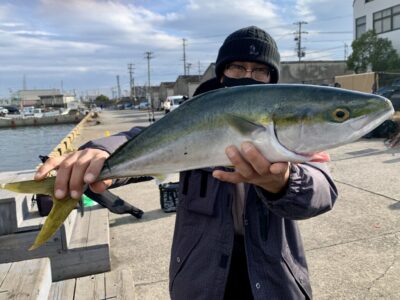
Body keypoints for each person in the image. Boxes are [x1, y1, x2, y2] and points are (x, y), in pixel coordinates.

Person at [35, 26, 337, 299]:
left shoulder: (297, 139)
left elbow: (322, 191)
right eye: (237, 66)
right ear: (222, 73)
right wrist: (100, 150)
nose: (248, 75)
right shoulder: (193, 116)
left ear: (272, 79)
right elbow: (140, 136)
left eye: (260, 70)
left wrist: (283, 184)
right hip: (200, 277)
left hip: (275, 277)